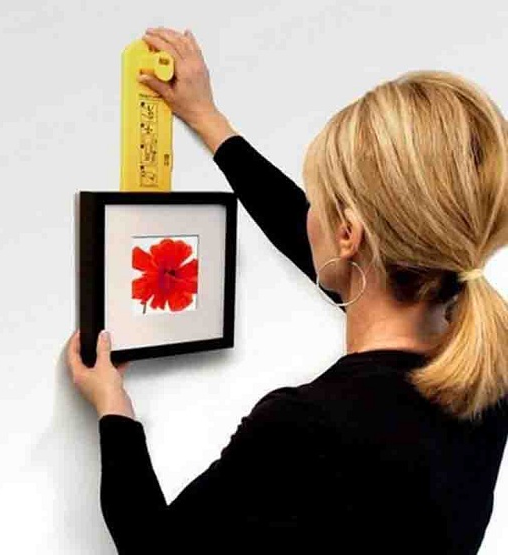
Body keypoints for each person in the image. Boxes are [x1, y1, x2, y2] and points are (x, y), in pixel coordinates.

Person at [66, 27, 508, 554]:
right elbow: (313, 238)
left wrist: (113, 406)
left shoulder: (308, 425)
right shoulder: (489, 365)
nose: (308, 213)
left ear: (348, 236)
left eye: (318, 200)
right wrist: (209, 120)